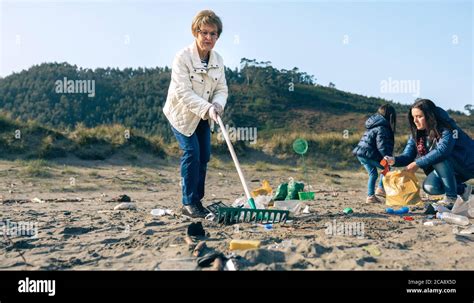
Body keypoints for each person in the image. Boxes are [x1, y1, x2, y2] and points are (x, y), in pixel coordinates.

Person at [163, 10, 228, 218]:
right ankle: (188, 202)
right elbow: (183, 92)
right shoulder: (182, 57)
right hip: (181, 113)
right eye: (204, 33)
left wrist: (217, 105)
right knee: (191, 152)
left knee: (204, 156)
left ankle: (197, 201)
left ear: (218, 36)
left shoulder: (218, 60)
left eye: (213, 34)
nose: (208, 38)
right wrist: (207, 108)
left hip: (205, 115)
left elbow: (222, 89)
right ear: (195, 32)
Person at [385, 99, 474, 205]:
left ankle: (451, 198)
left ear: (429, 116)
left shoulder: (447, 128)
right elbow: (408, 155)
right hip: (448, 169)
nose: (415, 120)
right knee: (430, 187)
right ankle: (464, 190)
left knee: (438, 157)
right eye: (413, 117)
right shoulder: (417, 133)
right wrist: (394, 160)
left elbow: (442, 151)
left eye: (419, 116)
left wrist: (417, 163)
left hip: (467, 164)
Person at [353, 104, 397, 203]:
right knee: (387, 167)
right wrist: (386, 156)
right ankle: (380, 188)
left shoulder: (373, 125)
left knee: (373, 174)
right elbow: (381, 144)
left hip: (362, 154)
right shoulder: (382, 128)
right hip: (369, 154)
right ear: (390, 116)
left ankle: (370, 197)